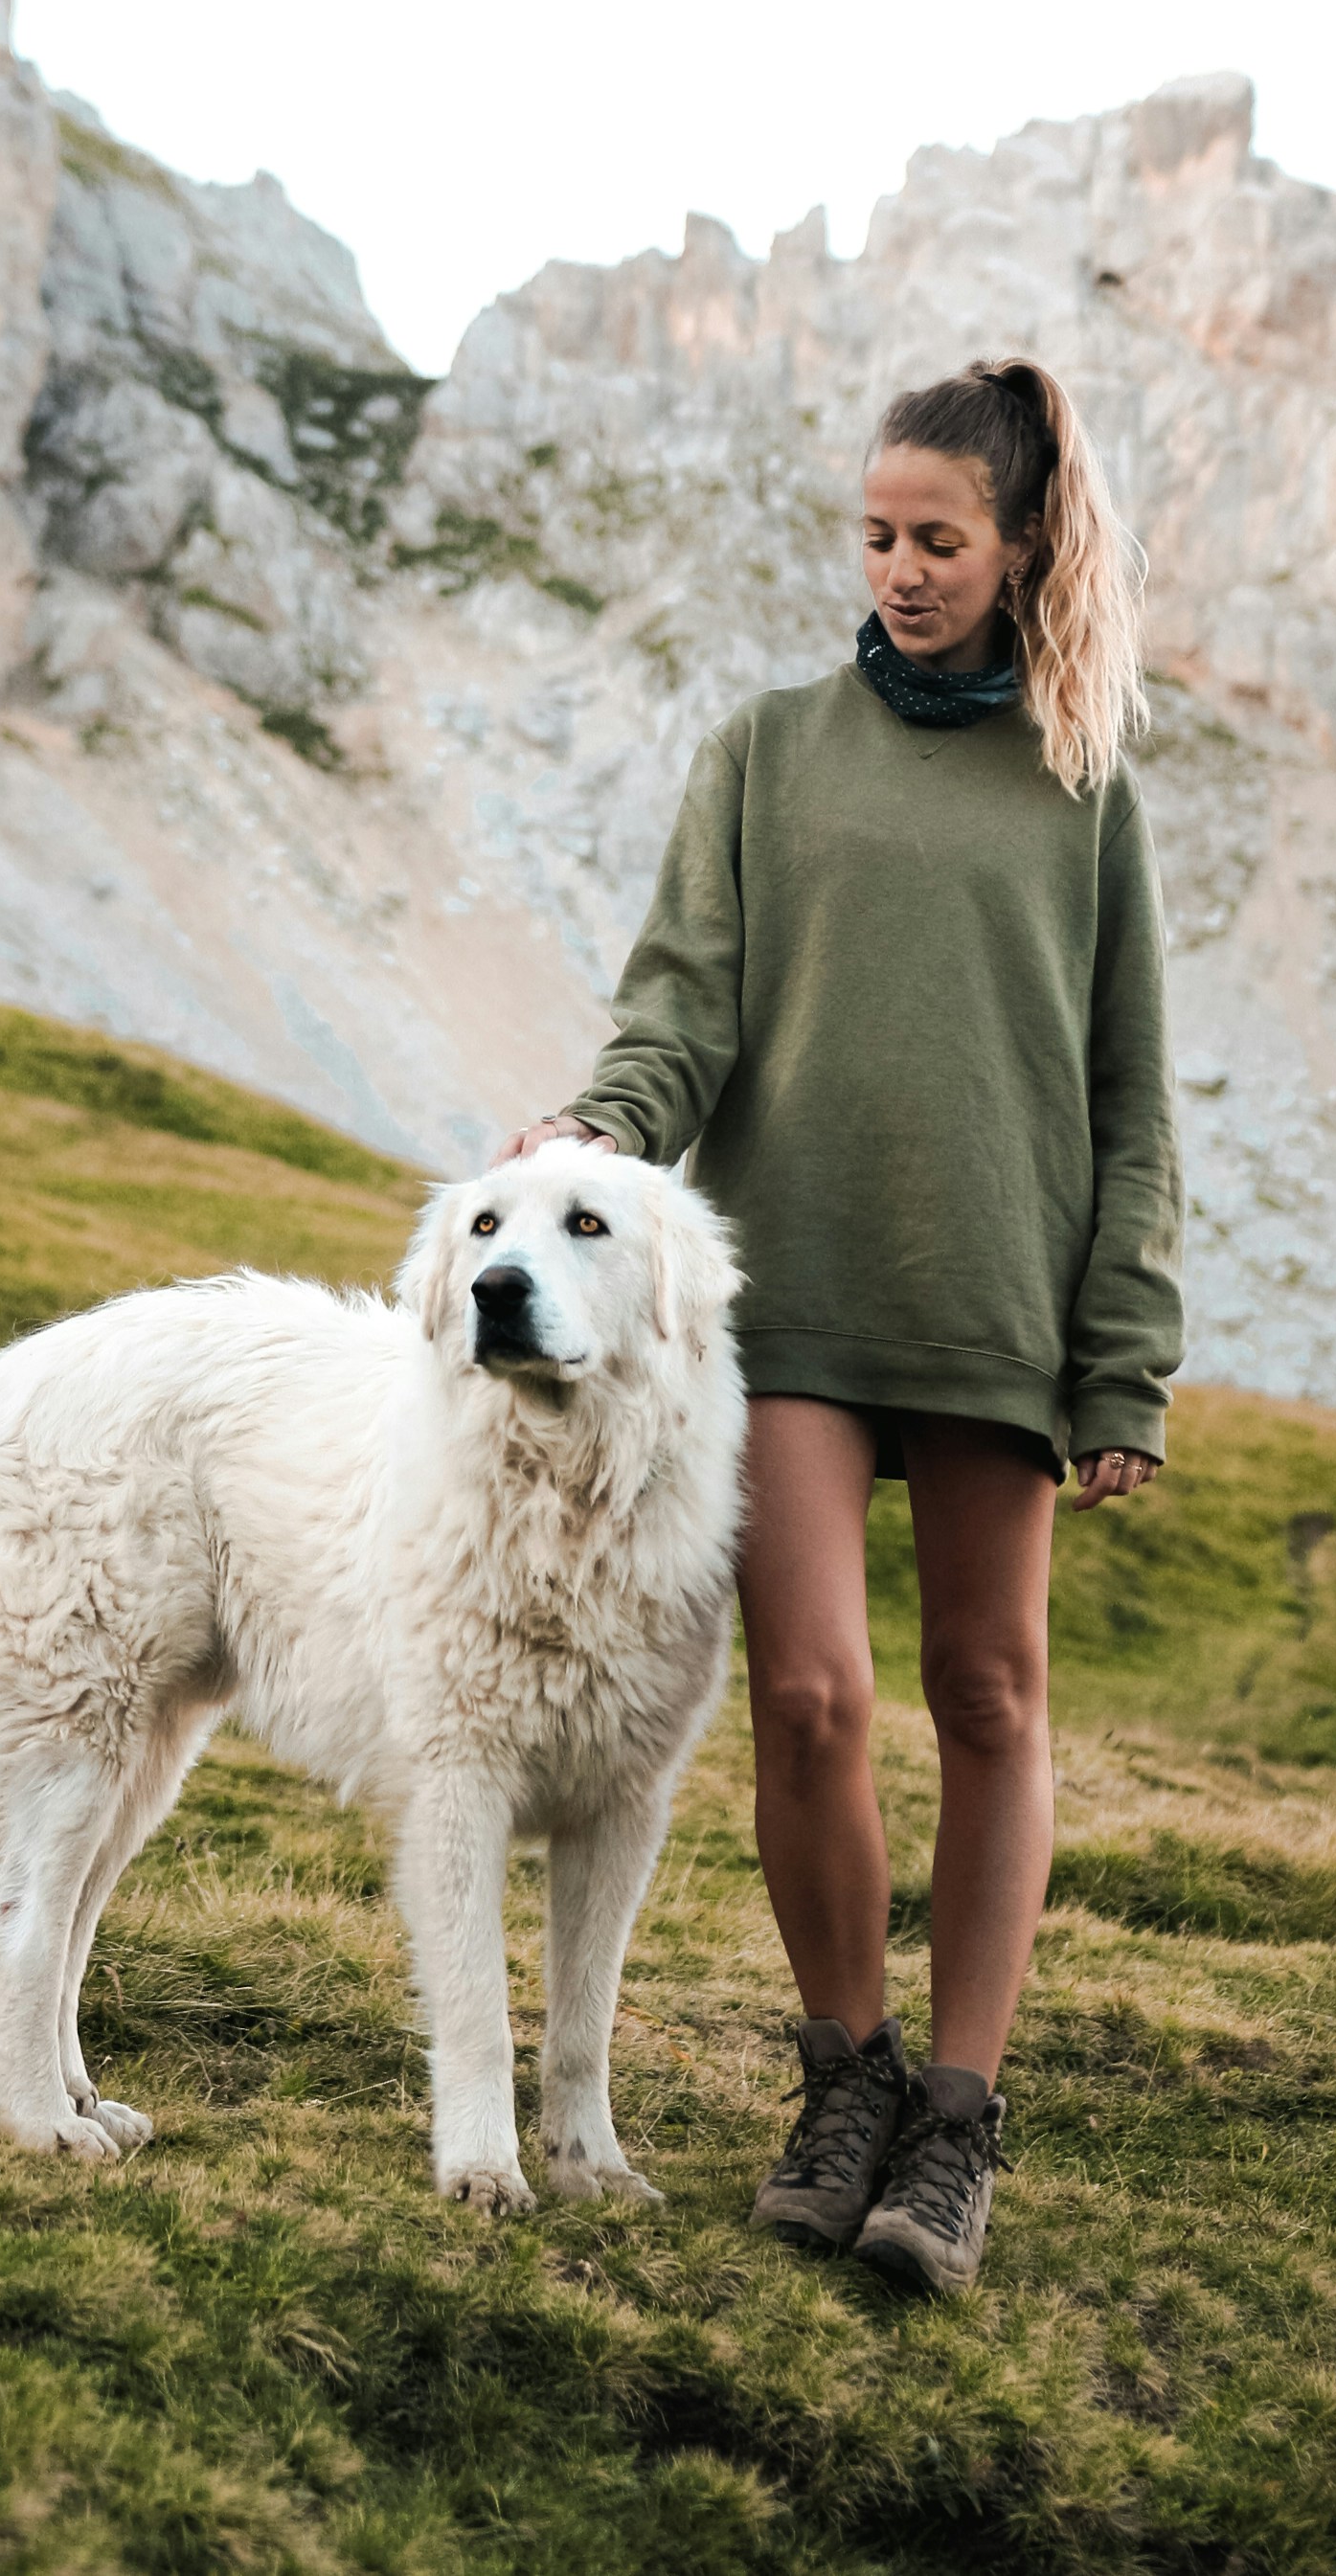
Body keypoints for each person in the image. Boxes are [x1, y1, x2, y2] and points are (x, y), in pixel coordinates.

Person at [500, 356, 1180, 2294]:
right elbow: (680, 1014)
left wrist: (1120, 1355)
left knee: (989, 1697)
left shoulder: (1084, 792)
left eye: (938, 539)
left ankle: (954, 2122)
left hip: (996, 1304)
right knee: (805, 1701)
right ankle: (845, 2080)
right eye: (876, 535)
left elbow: (1131, 1100)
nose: (900, 569)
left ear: (1021, 545)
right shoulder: (766, 754)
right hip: (786, 1299)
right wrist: (598, 1131)